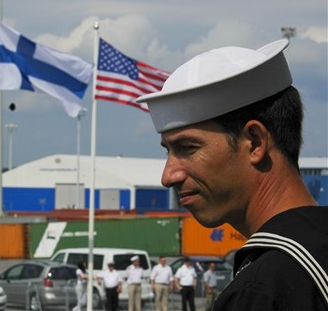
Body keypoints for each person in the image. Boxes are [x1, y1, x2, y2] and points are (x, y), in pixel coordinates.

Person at [137, 38, 328, 310]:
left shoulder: (262, 290)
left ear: (255, 142)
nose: (168, 176)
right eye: (167, 151)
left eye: (187, 148)